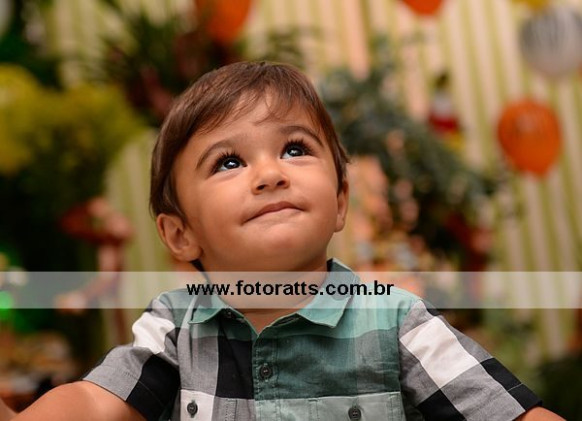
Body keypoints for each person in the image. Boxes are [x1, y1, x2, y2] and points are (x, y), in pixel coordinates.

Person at [2, 62, 563, 421]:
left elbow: (510, 415)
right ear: (180, 233)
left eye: (295, 149)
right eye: (228, 161)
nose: (270, 174)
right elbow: (94, 403)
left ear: (339, 200)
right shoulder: (175, 326)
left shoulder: (396, 320)